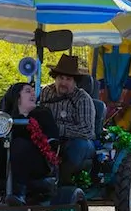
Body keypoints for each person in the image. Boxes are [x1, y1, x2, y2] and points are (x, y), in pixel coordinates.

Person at [0, 83, 59, 206]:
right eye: (28, 91)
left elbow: (51, 141)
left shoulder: (43, 114)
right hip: (4, 163)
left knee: (20, 144)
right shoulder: (3, 118)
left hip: (35, 164)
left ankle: (19, 194)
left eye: (33, 91)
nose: (33, 94)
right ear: (17, 97)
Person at [40, 54, 96, 184]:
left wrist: (59, 129)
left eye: (68, 79)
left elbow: (87, 131)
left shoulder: (82, 99)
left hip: (75, 142)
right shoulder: (45, 92)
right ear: (55, 78)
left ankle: (64, 180)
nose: (63, 83)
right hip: (49, 139)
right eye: (61, 78)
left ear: (75, 81)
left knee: (78, 145)